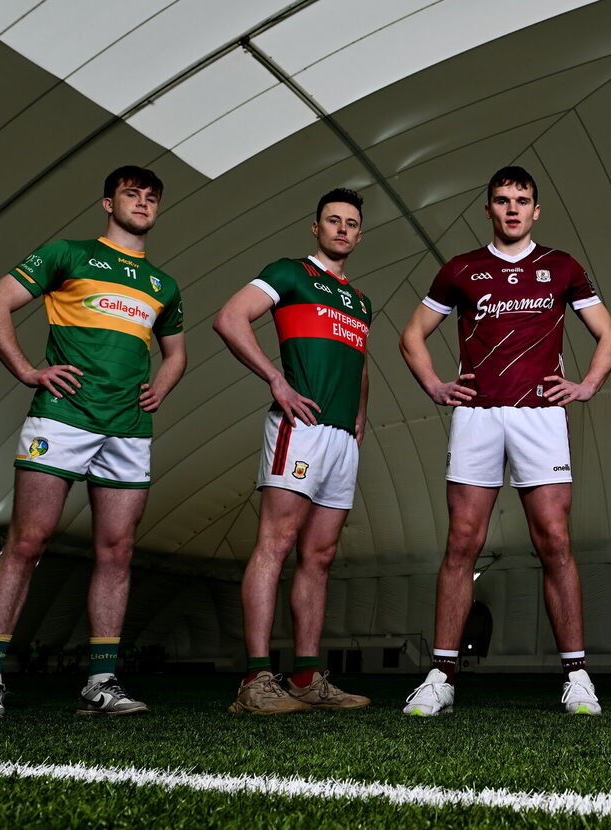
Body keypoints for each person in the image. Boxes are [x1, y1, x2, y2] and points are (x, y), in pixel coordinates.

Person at [0, 165, 186, 720]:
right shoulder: (69, 253)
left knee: (117, 551)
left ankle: (101, 683)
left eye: (151, 197)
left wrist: (160, 385)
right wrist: (26, 370)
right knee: (28, 541)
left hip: (128, 428)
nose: (143, 203)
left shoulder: (163, 284)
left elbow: (176, 353)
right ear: (107, 204)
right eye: (131, 194)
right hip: (63, 417)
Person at [398, 166, 611, 716]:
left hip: (539, 416)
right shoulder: (461, 269)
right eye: (502, 200)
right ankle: (441, 676)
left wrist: (587, 385)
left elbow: (610, 337)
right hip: (476, 415)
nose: (513, 209)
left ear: (536, 210)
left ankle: (577, 677)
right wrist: (435, 385)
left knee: (555, 541)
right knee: (461, 542)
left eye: (522, 200)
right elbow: (410, 336)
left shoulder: (562, 267)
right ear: (489, 209)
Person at [214, 188, 372, 715]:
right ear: (316, 227)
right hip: (298, 427)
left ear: (359, 232)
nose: (343, 229)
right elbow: (230, 319)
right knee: (275, 544)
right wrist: (277, 381)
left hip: (339, 437)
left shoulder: (360, 299)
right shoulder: (289, 272)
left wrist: (359, 417)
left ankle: (305, 678)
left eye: (351, 223)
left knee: (320, 557)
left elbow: (359, 360)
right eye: (334, 220)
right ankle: (255, 681)